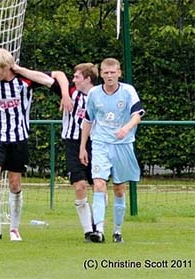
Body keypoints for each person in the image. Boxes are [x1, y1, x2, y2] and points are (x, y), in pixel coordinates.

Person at [0, 48, 71, 241]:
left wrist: (65, 95)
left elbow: (58, 75)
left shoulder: (26, 79)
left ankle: (14, 228)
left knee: (15, 183)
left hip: (19, 139)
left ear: (6, 67)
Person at [79, 58, 145, 243]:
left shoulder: (128, 91)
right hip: (100, 143)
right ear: (100, 74)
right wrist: (83, 146)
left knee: (118, 188)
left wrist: (126, 128)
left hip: (122, 145)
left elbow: (138, 114)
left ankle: (117, 230)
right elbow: (88, 120)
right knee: (99, 184)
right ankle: (98, 230)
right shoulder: (93, 93)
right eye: (106, 73)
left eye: (112, 72)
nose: (109, 76)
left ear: (119, 73)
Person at [60, 63, 99, 242]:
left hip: (97, 144)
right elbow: (49, 77)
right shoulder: (70, 93)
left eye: (77, 77)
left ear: (87, 79)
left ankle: (99, 227)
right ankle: (88, 231)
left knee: (99, 186)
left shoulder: (100, 95)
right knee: (80, 185)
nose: (73, 80)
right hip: (73, 144)